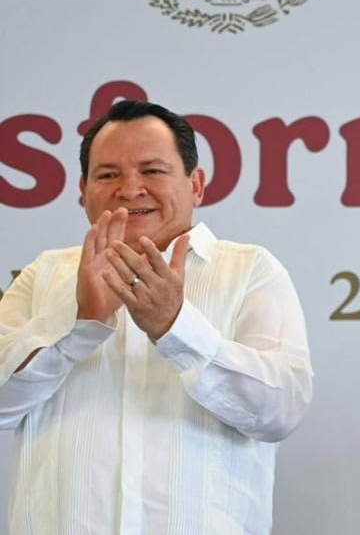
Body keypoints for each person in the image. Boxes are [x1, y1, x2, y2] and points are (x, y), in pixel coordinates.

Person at [0, 100, 313, 535]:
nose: (130, 189)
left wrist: (175, 325)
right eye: (108, 175)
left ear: (196, 185)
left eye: (153, 171)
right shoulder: (44, 275)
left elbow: (281, 410)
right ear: (83, 190)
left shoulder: (251, 271)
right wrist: (80, 325)